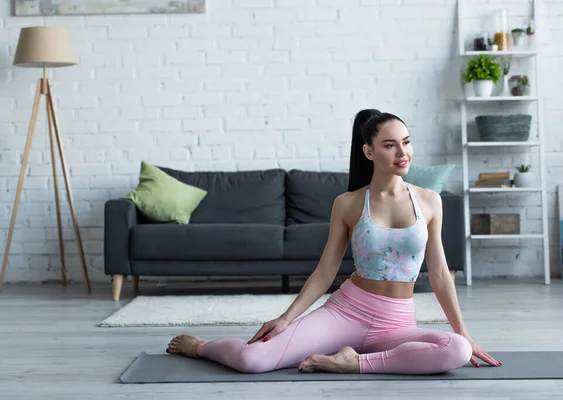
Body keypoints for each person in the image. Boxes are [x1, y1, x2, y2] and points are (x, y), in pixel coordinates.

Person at [166, 109, 502, 374]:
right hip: (347, 313)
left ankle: (352, 363)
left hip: (397, 323)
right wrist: (287, 317)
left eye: (407, 141)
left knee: (456, 349)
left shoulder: (430, 200)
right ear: (369, 151)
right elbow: (325, 272)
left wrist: (464, 332)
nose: (403, 152)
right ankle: (200, 346)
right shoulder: (348, 203)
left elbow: (440, 273)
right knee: (253, 361)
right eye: (390, 144)